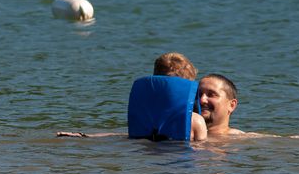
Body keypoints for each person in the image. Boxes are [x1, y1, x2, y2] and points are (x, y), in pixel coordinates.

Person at [58, 52, 206, 140]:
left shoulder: (147, 114)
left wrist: (87, 136)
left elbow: (125, 137)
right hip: (179, 166)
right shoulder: (196, 120)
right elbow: (203, 155)